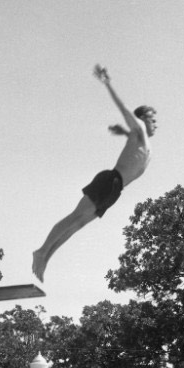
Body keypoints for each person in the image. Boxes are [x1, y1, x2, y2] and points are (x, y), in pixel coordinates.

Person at [32, 65, 157, 283]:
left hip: (116, 191)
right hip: (110, 181)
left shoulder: (141, 139)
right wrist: (107, 83)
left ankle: (46, 257)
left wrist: (124, 133)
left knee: (78, 225)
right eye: (152, 118)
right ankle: (41, 251)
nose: (155, 123)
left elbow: (134, 149)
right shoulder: (138, 128)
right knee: (75, 217)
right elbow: (124, 108)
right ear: (142, 119)